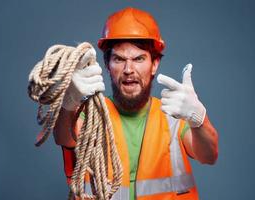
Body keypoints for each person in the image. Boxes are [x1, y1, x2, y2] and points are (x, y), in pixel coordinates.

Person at [53, 7, 218, 200]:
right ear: (107, 65)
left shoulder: (174, 116)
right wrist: (69, 101)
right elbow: (64, 136)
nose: (129, 69)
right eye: (119, 59)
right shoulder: (92, 115)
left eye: (139, 59)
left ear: (154, 64)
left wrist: (198, 117)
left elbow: (209, 156)